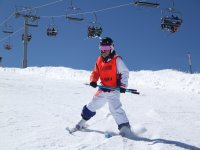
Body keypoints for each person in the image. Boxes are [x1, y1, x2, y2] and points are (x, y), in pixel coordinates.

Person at [75, 37, 132, 137]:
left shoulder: (116, 60)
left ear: (111, 48)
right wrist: (93, 80)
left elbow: (125, 72)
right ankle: (82, 122)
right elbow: (95, 72)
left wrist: (123, 85)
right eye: (101, 47)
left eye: (105, 47)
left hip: (114, 89)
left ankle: (125, 128)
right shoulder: (99, 60)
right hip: (103, 88)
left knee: (114, 108)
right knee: (92, 104)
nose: (103, 50)